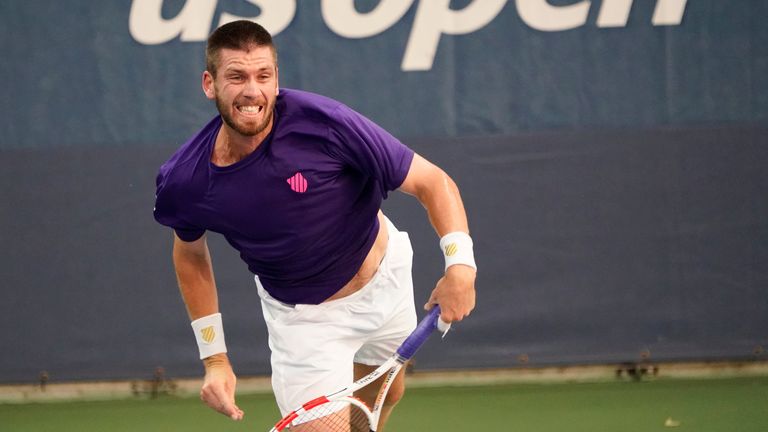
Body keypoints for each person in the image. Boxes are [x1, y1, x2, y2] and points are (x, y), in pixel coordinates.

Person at [153, 20, 476, 430]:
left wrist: (461, 267)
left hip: (386, 277)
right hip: (306, 321)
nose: (252, 91)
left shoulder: (325, 122)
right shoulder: (187, 179)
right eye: (236, 77)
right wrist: (215, 359)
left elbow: (433, 182)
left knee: (382, 397)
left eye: (263, 76)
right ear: (209, 84)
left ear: (275, 80)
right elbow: (190, 252)